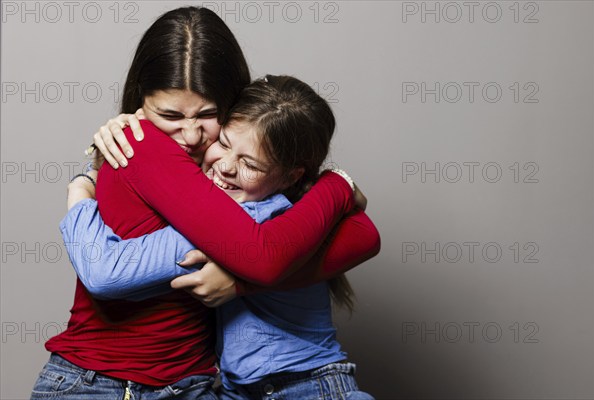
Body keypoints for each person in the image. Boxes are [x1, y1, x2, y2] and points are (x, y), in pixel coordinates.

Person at [31, 7, 379, 400]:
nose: (192, 135)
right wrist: (338, 184)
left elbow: (362, 237)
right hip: (103, 383)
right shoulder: (143, 145)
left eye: (210, 114)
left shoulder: (239, 173)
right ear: (140, 103)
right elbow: (105, 274)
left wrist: (239, 284)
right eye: (169, 115)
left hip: (194, 385)